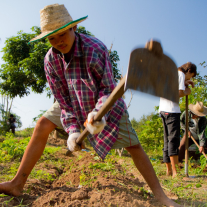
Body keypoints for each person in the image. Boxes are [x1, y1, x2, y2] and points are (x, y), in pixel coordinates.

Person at [0, 4, 181, 207]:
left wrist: (98, 112)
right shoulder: (50, 60)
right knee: (43, 124)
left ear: (73, 28)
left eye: (62, 34)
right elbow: (62, 100)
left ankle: (160, 195)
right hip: (71, 101)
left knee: (134, 145)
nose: (58, 41)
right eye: (52, 38)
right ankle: (17, 183)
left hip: (103, 100)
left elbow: (107, 89)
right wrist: (72, 131)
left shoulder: (95, 48)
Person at [159, 62, 197, 178]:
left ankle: (169, 170)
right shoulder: (180, 74)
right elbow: (178, 92)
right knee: (173, 141)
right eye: (191, 76)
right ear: (189, 70)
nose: (190, 78)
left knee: (167, 140)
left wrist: (185, 83)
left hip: (163, 109)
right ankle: (175, 172)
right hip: (171, 110)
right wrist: (187, 91)